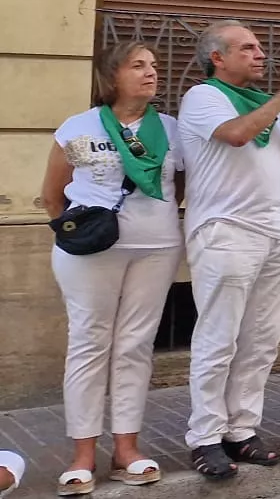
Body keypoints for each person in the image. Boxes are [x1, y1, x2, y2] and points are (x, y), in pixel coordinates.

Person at [178, 21, 280, 479]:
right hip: (225, 232)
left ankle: (241, 430)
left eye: (260, 47)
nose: (261, 54)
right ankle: (204, 437)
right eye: (248, 48)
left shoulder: (267, 104)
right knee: (219, 337)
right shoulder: (204, 97)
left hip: (271, 230)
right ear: (218, 58)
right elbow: (237, 135)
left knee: (260, 339)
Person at [40, 41, 182, 494]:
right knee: (88, 343)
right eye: (138, 65)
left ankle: (127, 450)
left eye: (154, 66)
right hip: (91, 251)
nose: (150, 72)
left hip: (157, 248)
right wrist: (77, 232)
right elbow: (52, 195)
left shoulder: (174, 130)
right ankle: (82, 456)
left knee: (136, 346)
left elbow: (188, 188)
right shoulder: (77, 128)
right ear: (111, 75)